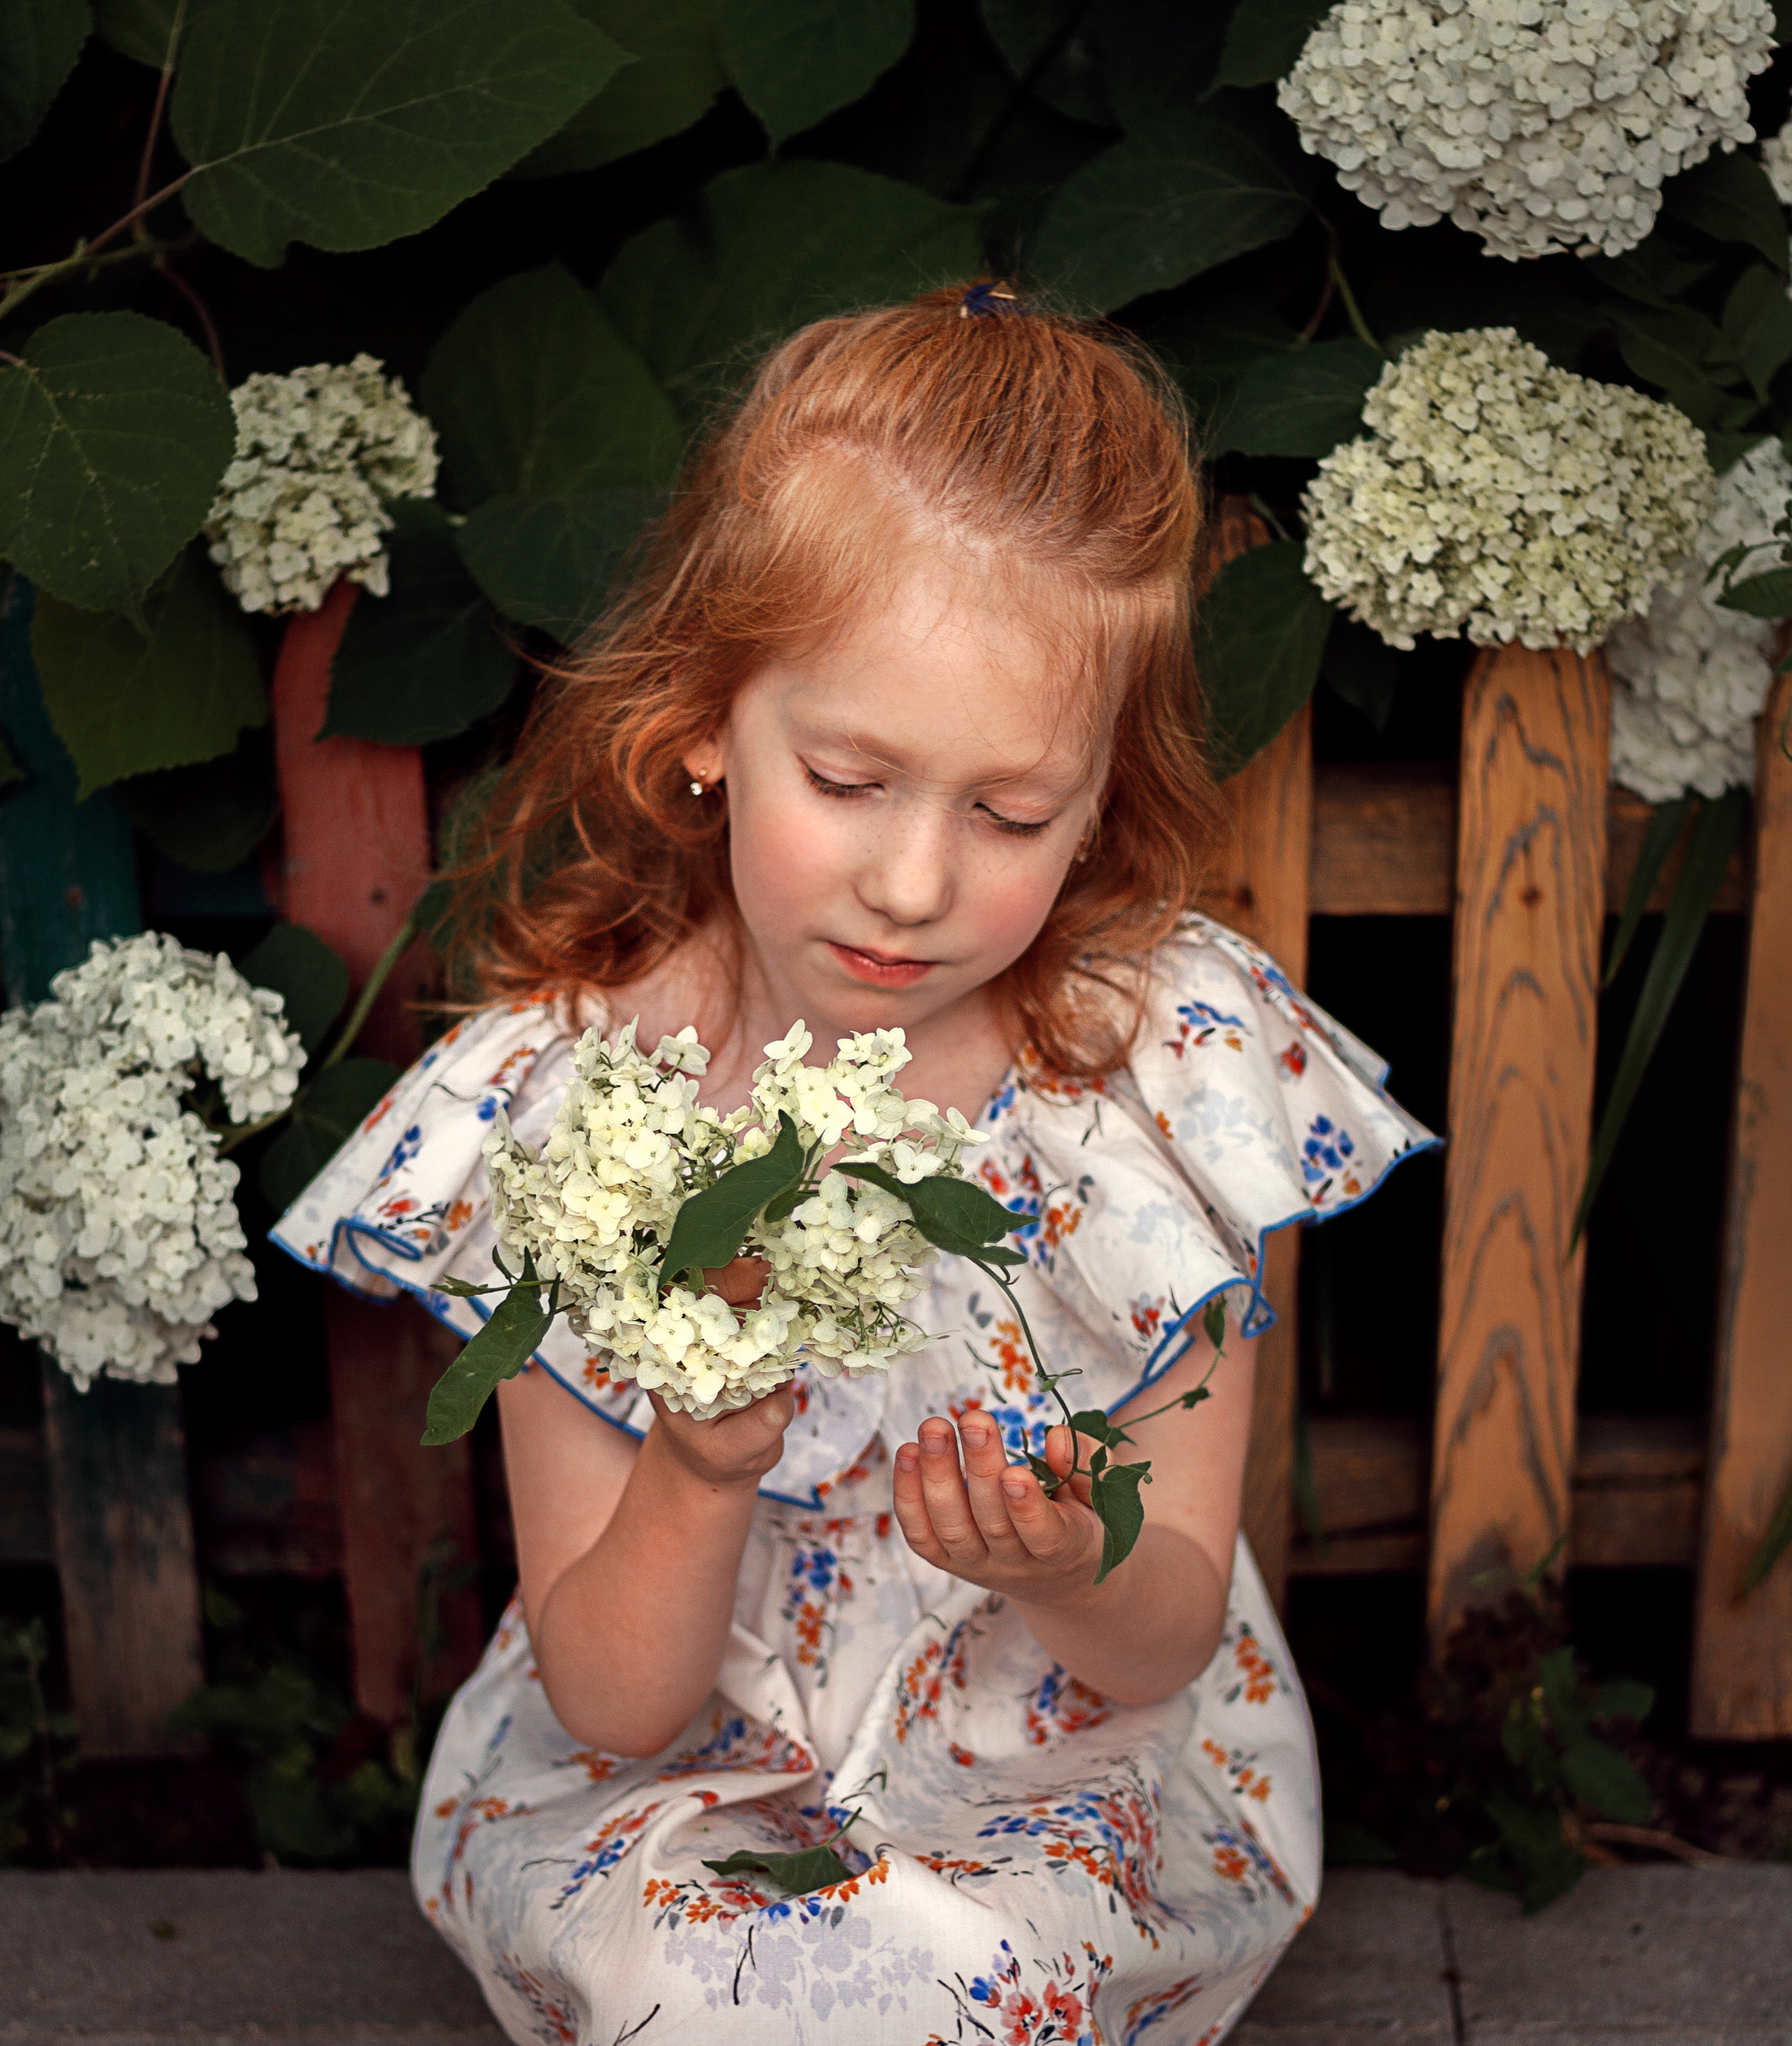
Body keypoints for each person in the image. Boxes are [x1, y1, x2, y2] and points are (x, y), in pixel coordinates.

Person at [274, 283, 1434, 2045]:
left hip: (1056, 1750)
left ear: (1103, 795)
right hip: (687, 1765)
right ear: (699, 723)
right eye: (846, 777)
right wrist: (693, 1459)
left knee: (970, 1965)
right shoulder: (580, 1110)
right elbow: (615, 1706)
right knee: (709, 1962)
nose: (910, 882)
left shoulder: (1144, 1076)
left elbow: (1161, 1634)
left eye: (1007, 812)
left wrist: (1057, 1560)